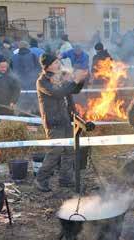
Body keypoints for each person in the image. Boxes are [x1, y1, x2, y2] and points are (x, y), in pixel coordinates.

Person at [34, 53, 88, 192]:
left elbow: (73, 90)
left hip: (65, 119)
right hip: (53, 121)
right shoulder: (42, 81)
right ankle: (41, 179)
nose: (59, 64)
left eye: (58, 62)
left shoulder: (59, 78)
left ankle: (65, 178)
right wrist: (74, 81)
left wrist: (80, 81)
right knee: (55, 151)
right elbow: (58, 93)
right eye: (56, 63)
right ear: (48, 66)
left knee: (69, 150)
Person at [0, 57, 21, 132]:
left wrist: (13, 102)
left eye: (6, 67)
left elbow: (17, 90)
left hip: (8, 107)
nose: (4, 69)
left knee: (9, 129)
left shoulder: (11, 77)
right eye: (2, 67)